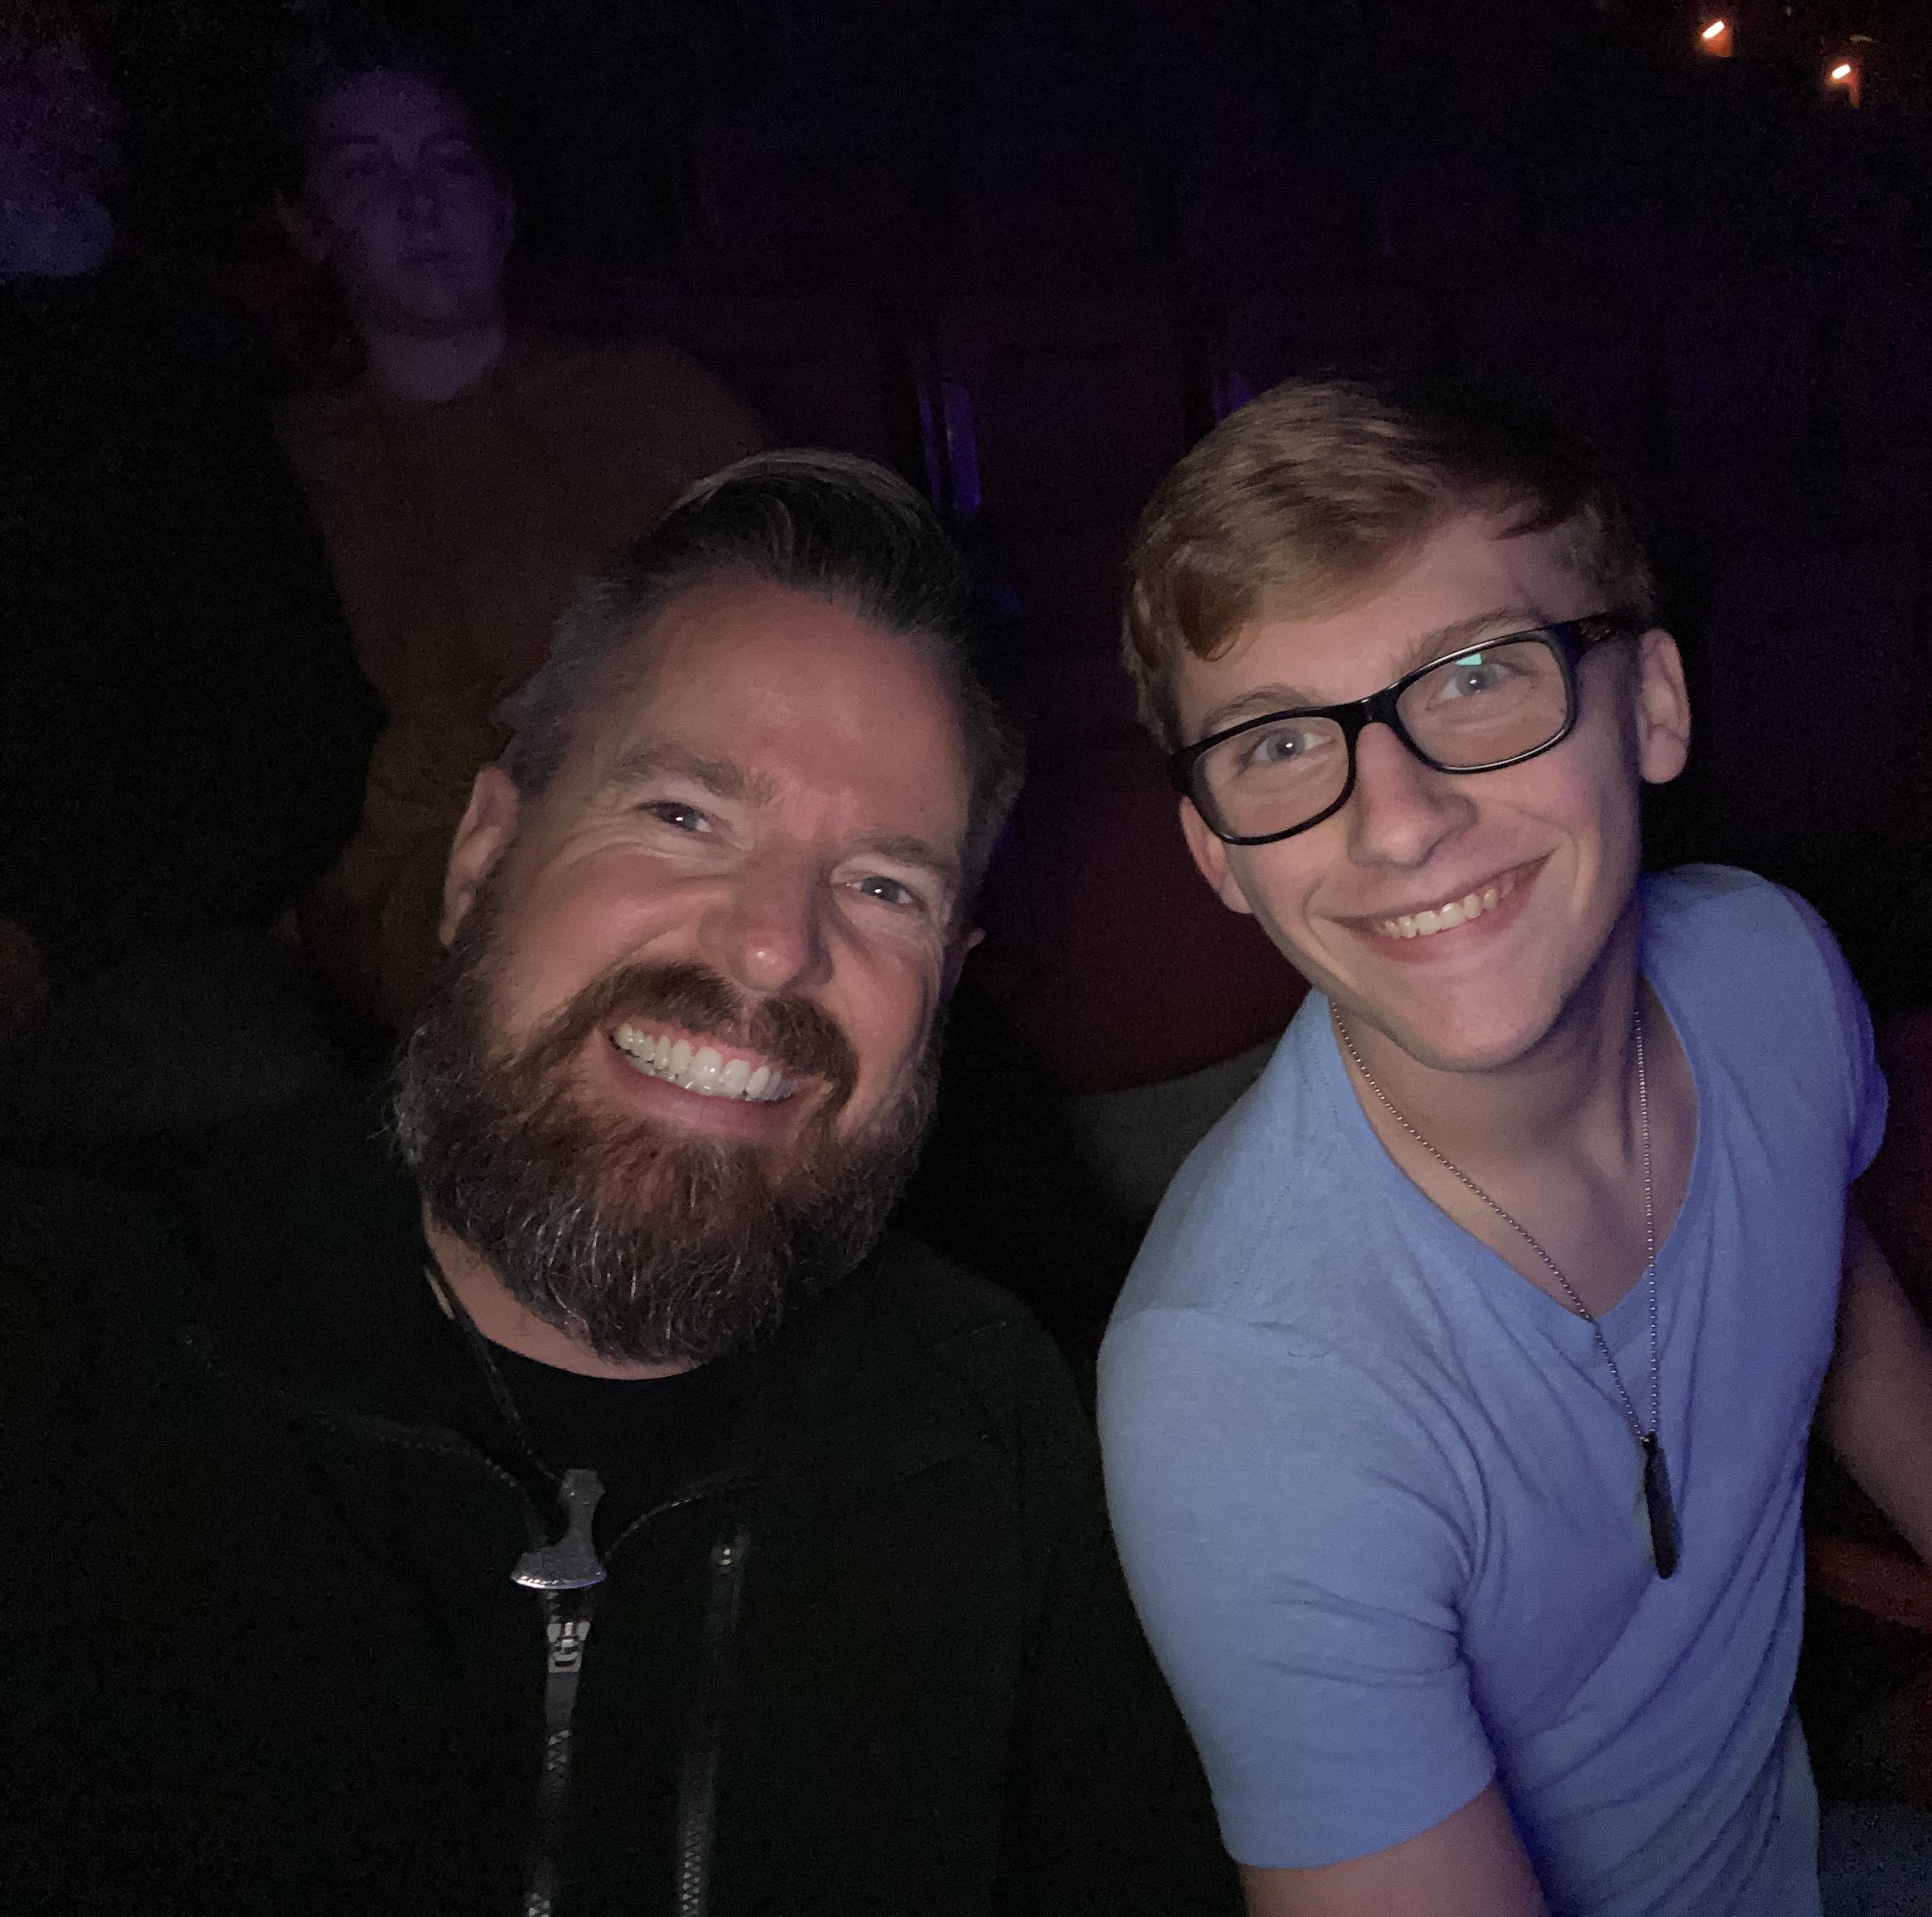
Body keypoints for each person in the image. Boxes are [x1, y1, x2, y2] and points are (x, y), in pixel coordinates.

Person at [0, 451, 1238, 1916]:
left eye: (884, 886)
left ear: (950, 986)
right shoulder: (79, 1343)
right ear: (482, 857)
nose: (775, 946)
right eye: (683, 815)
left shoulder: (1011, 1449)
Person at [1097, 377, 1932, 1917]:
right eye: (1278, 743)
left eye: (1479, 674)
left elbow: (1826, 1271)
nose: (1396, 822)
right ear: (1220, 855)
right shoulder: (1247, 1392)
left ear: (1655, 704)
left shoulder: (1769, 969)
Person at [275, 34, 767, 1031]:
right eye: (366, 172)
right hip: (437, 917)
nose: (420, 203)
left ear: (502, 204)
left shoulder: (658, 400)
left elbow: (814, 619)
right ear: (308, 226)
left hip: (704, 846)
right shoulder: (285, 466)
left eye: (450, 163)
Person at [0, 11, 377, 1137]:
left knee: (255, 1089)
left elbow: (292, 721)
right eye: (29, 60)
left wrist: (52, 936)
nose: (83, 97)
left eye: (71, 60)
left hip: (123, 943)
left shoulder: (182, 354)